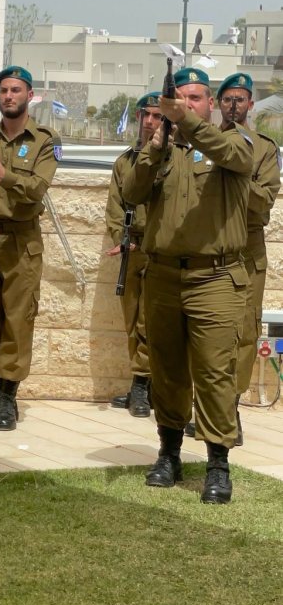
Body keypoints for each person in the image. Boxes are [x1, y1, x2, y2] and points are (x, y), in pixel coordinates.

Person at [122, 65, 253, 504]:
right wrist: (155, 147)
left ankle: (218, 463)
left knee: (214, 373)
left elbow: (234, 156)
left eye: (195, 98)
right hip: (162, 275)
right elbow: (132, 192)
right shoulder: (161, 148)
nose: (186, 105)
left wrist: (186, 121)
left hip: (213, 277)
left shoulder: (233, 139)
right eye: (179, 99)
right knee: (167, 370)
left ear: (210, 103)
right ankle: (169, 453)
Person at [0, 66, 60, 431]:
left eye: (15, 90)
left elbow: (38, 189)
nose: (8, 96)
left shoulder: (44, 140)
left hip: (22, 241)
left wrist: (6, 177)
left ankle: (8, 398)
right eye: (3, 91)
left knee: (18, 321)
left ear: (29, 95)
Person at [216, 72, 281, 432]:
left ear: (251, 104)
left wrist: (235, 173)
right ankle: (204, 404)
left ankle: (230, 408)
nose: (234, 105)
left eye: (240, 99)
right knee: (207, 333)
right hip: (208, 248)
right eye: (227, 99)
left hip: (246, 250)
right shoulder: (203, 144)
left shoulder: (264, 149)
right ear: (218, 104)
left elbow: (263, 202)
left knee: (243, 333)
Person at [105, 92, 162, 418]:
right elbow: (115, 208)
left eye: (157, 116)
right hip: (131, 248)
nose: (150, 122)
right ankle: (142, 385)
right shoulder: (124, 162)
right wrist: (121, 239)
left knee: (149, 323)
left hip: (157, 250)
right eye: (146, 115)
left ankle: (142, 385)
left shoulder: (171, 160)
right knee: (131, 320)